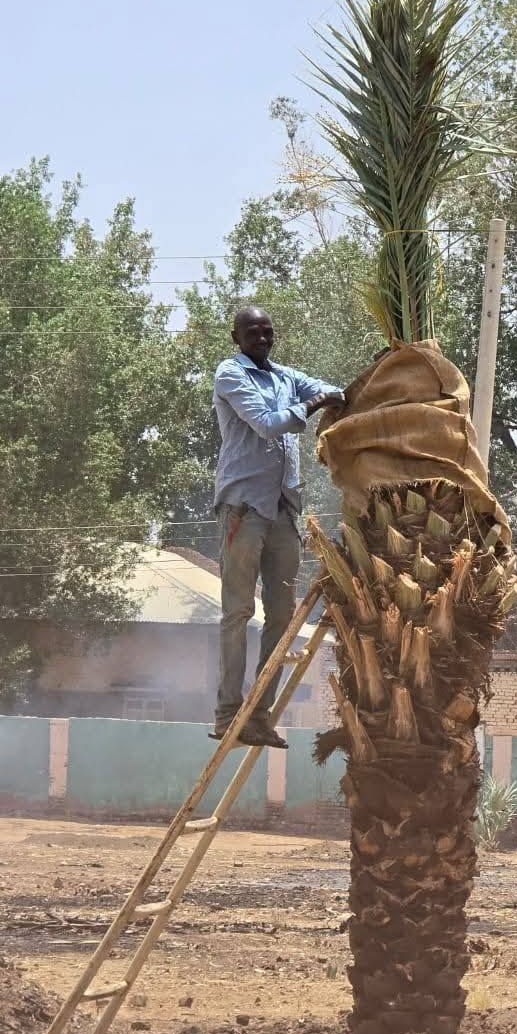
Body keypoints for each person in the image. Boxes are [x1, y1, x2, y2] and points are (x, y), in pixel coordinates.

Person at [212, 306, 345, 748]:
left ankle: (258, 716)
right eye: (253, 332)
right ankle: (228, 713)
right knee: (238, 613)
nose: (262, 338)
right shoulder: (231, 374)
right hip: (244, 509)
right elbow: (269, 425)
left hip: (284, 511)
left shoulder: (285, 376)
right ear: (236, 337)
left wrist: (334, 395)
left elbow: (332, 391)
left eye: (267, 331)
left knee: (283, 616)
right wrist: (313, 404)